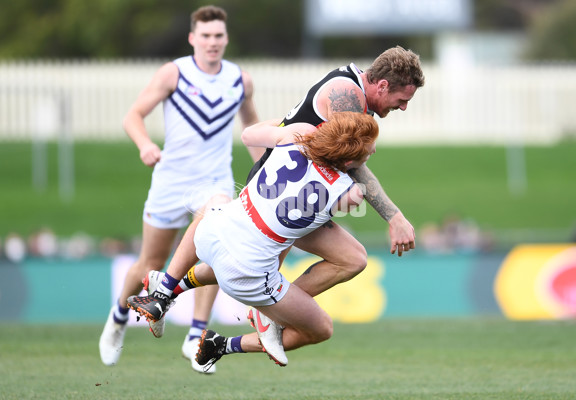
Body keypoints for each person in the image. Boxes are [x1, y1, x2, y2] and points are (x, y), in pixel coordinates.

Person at [131, 46, 425, 368]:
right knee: (296, 281)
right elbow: (353, 166)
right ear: (382, 86)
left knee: (341, 256)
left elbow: (251, 135)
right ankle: (253, 312)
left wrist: (288, 131)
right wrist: (393, 216)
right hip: (288, 198)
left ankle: (169, 291)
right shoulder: (348, 99)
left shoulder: (331, 111)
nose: (404, 107)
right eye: (403, 99)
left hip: (271, 189)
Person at [128, 111, 380, 368]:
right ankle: (225, 344)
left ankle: (165, 290)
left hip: (212, 233)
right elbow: (345, 188)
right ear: (349, 160)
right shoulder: (350, 195)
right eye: (369, 152)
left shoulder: (297, 133)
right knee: (322, 329)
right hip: (246, 273)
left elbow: (249, 135)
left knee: (216, 205)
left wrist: (289, 124)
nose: (371, 155)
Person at [99, 5, 261, 374]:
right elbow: (132, 115)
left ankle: (196, 337)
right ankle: (119, 318)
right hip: (170, 181)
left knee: (215, 252)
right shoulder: (174, 73)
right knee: (149, 264)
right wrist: (144, 144)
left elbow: (251, 128)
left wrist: (262, 169)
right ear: (192, 38)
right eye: (205, 36)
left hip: (214, 182)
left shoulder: (240, 80)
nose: (212, 42)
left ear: (226, 38)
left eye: (218, 35)